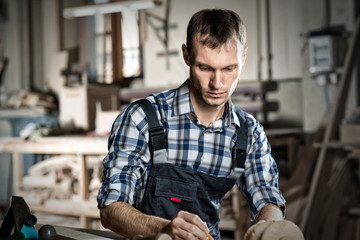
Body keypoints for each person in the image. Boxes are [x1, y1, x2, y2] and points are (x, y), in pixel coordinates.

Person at [97, 8, 286, 240]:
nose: (217, 83)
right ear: (187, 56)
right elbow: (111, 210)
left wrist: (267, 227)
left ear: (243, 58)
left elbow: (269, 199)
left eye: (229, 69)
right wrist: (164, 229)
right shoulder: (142, 118)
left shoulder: (249, 134)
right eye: (205, 68)